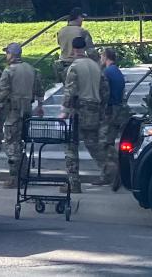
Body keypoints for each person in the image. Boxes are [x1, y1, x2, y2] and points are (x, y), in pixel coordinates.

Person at [0, 42, 44, 178]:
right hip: (27, 110)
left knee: (11, 142)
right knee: (21, 142)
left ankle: (15, 176)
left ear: (12, 54)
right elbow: (39, 89)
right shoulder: (31, 69)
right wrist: (40, 106)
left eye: (7, 53)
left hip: (13, 111)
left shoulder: (9, 71)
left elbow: (1, 93)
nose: (6, 56)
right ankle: (24, 173)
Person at [62, 36, 105, 194]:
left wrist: (65, 111)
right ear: (85, 48)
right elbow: (104, 89)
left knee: (71, 147)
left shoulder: (74, 67)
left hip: (79, 110)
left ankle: (74, 183)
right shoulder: (96, 66)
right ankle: (110, 171)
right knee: (93, 143)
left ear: (73, 49)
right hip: (95, 108)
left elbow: (70, 91)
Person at [99, 47, 129, 190]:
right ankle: (112, 173)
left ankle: (116, 169)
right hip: (120, 109)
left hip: (110, 110)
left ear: (106, 57)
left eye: (101, 56)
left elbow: (104, 93)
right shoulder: (117, 71)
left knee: (104, 143)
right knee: (109, 141)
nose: (100, 59)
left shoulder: (107, 72)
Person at [54, 10, 85, 84]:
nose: (83, 20)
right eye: (82, 17)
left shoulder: (60, 31)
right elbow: (91, 51)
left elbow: (60, 44)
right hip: (79, 65)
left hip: (63, 66)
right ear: (78, 17)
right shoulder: (82, 31)